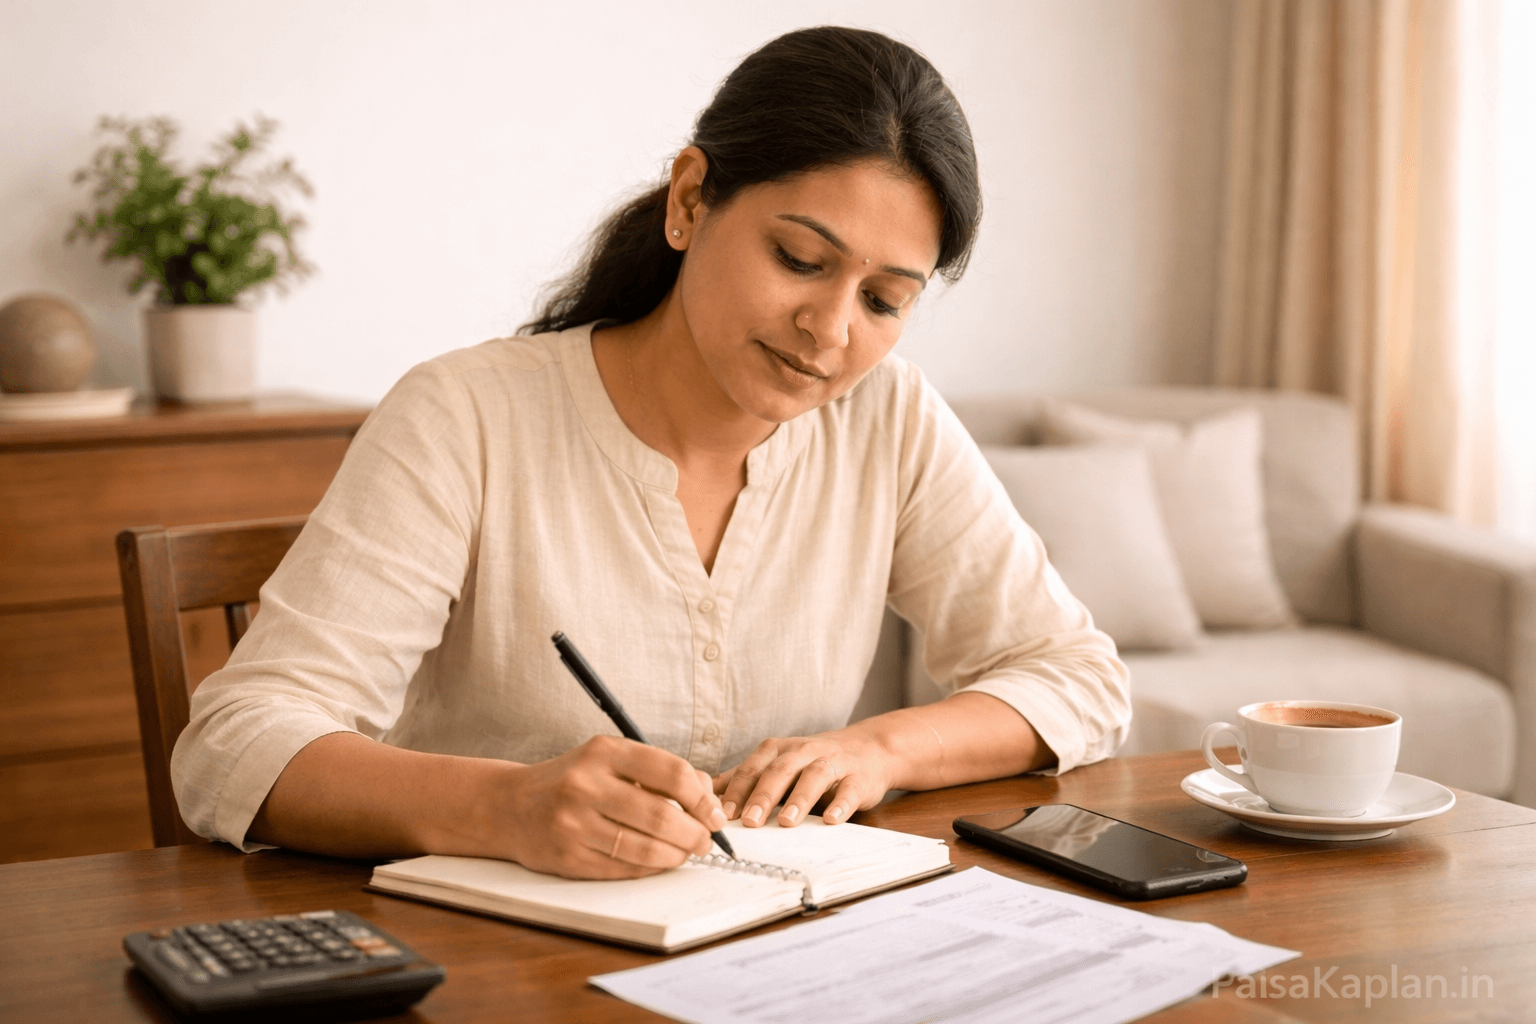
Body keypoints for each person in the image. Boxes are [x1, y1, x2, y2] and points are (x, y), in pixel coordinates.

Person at [172, 26, 1131, 880]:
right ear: (689, 201)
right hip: (487, 968)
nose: (831, 329)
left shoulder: (887, 418)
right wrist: (505, 807)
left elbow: (1076, 675)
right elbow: (235, 742)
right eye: (800, 259)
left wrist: (879, 751)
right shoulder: (465, 414)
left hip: (759, 950)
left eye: (884, 300)